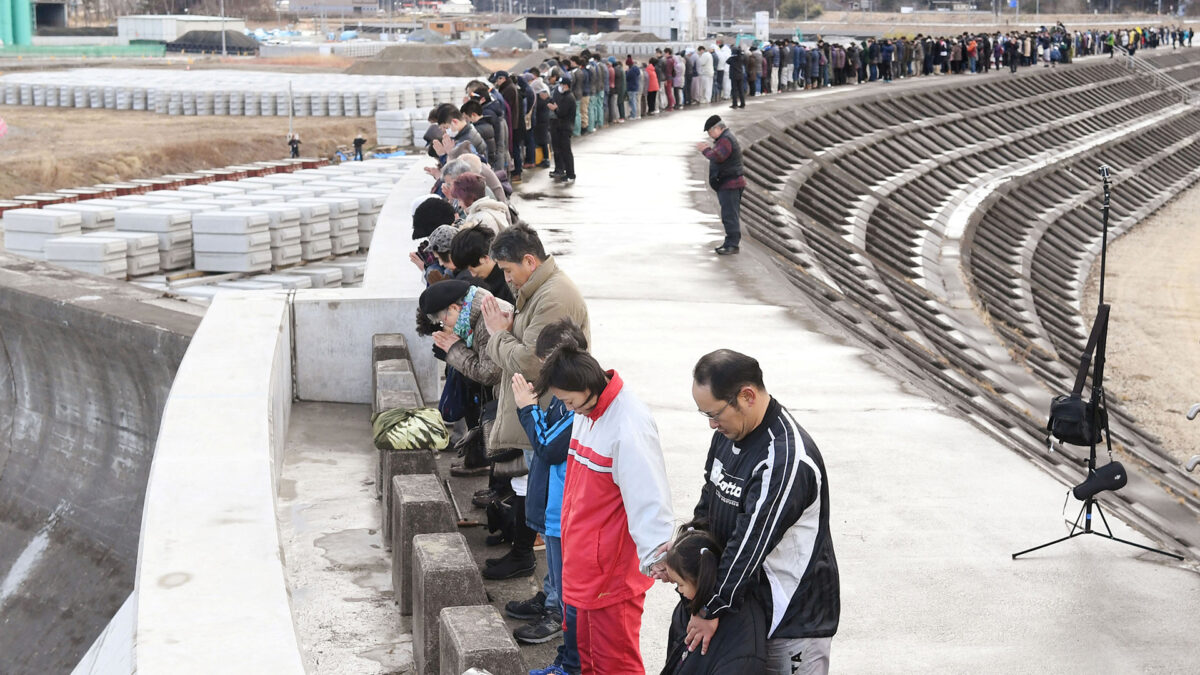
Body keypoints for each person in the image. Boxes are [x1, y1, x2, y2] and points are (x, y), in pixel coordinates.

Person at [678, 350, 840, 675]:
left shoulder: (785, 460)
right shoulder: (728, 434)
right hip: (745, 608)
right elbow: (708, 504)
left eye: (715, 413)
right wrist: (683, 556)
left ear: (747, 396)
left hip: (793, 620)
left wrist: (711, 609)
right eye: (703, 414)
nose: (711, 424)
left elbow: (749, 545)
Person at [536, 328, 674, 674]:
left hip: (610, 577)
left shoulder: (629, 426)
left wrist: (657, 556)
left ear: (587, 388)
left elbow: (650, 498)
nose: (568, 410)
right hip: (584, 566)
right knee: (589, 659)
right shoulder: (587, 412)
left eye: (568, 402)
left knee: (614, 663)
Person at [478, 225, 590, 580]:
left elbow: (530, 360)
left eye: (509, 271)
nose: (507, 279)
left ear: (530, 260)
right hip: (540, 405)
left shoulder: (553, 295)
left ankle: (550, 591)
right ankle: (544, 583)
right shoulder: (538, 289)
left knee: (550, 509)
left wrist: (497, 335)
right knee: (537, 494)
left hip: (547, 409)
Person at [509, 319, 587, 673]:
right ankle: (565, 650)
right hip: (554, 509)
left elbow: (547, 445)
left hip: (565, 512)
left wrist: (526, 407)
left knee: (569, 589)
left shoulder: (575, 403)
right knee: (559, 576)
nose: (545, 372)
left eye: (547, 364)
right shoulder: (562, 396)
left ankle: (562, 634)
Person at [658, 523, 767, 674]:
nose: (678, 589)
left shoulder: (741, 640)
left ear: (700, 579)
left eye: (680, 583)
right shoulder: (686, 608)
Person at [696, 116, 746, 255]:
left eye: (710, 131)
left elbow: (718, 156)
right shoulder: (724, 139)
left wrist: (705, 150)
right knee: (728, 214)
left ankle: (732, 244)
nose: (709, 135)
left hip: (730, 184)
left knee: (730, 215)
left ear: (718, 128)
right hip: (728, 183)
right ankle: (729, 242)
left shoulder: (725, 140)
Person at [451, 225, 515, 304]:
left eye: (472, 269)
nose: (473, 275)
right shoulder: (488, 281)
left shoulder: (510, 283)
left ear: (485, 258)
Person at [548, 75, 576, 185]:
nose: (560, 87)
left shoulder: (569, 98)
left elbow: (562, 113)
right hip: (560, 127)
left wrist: (555, 109)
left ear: (566, 86)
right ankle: (561, 170)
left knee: (566, 151)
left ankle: (570, 174)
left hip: (565, 128)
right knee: (559, 150)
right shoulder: (564, 96)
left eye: (562, 85)